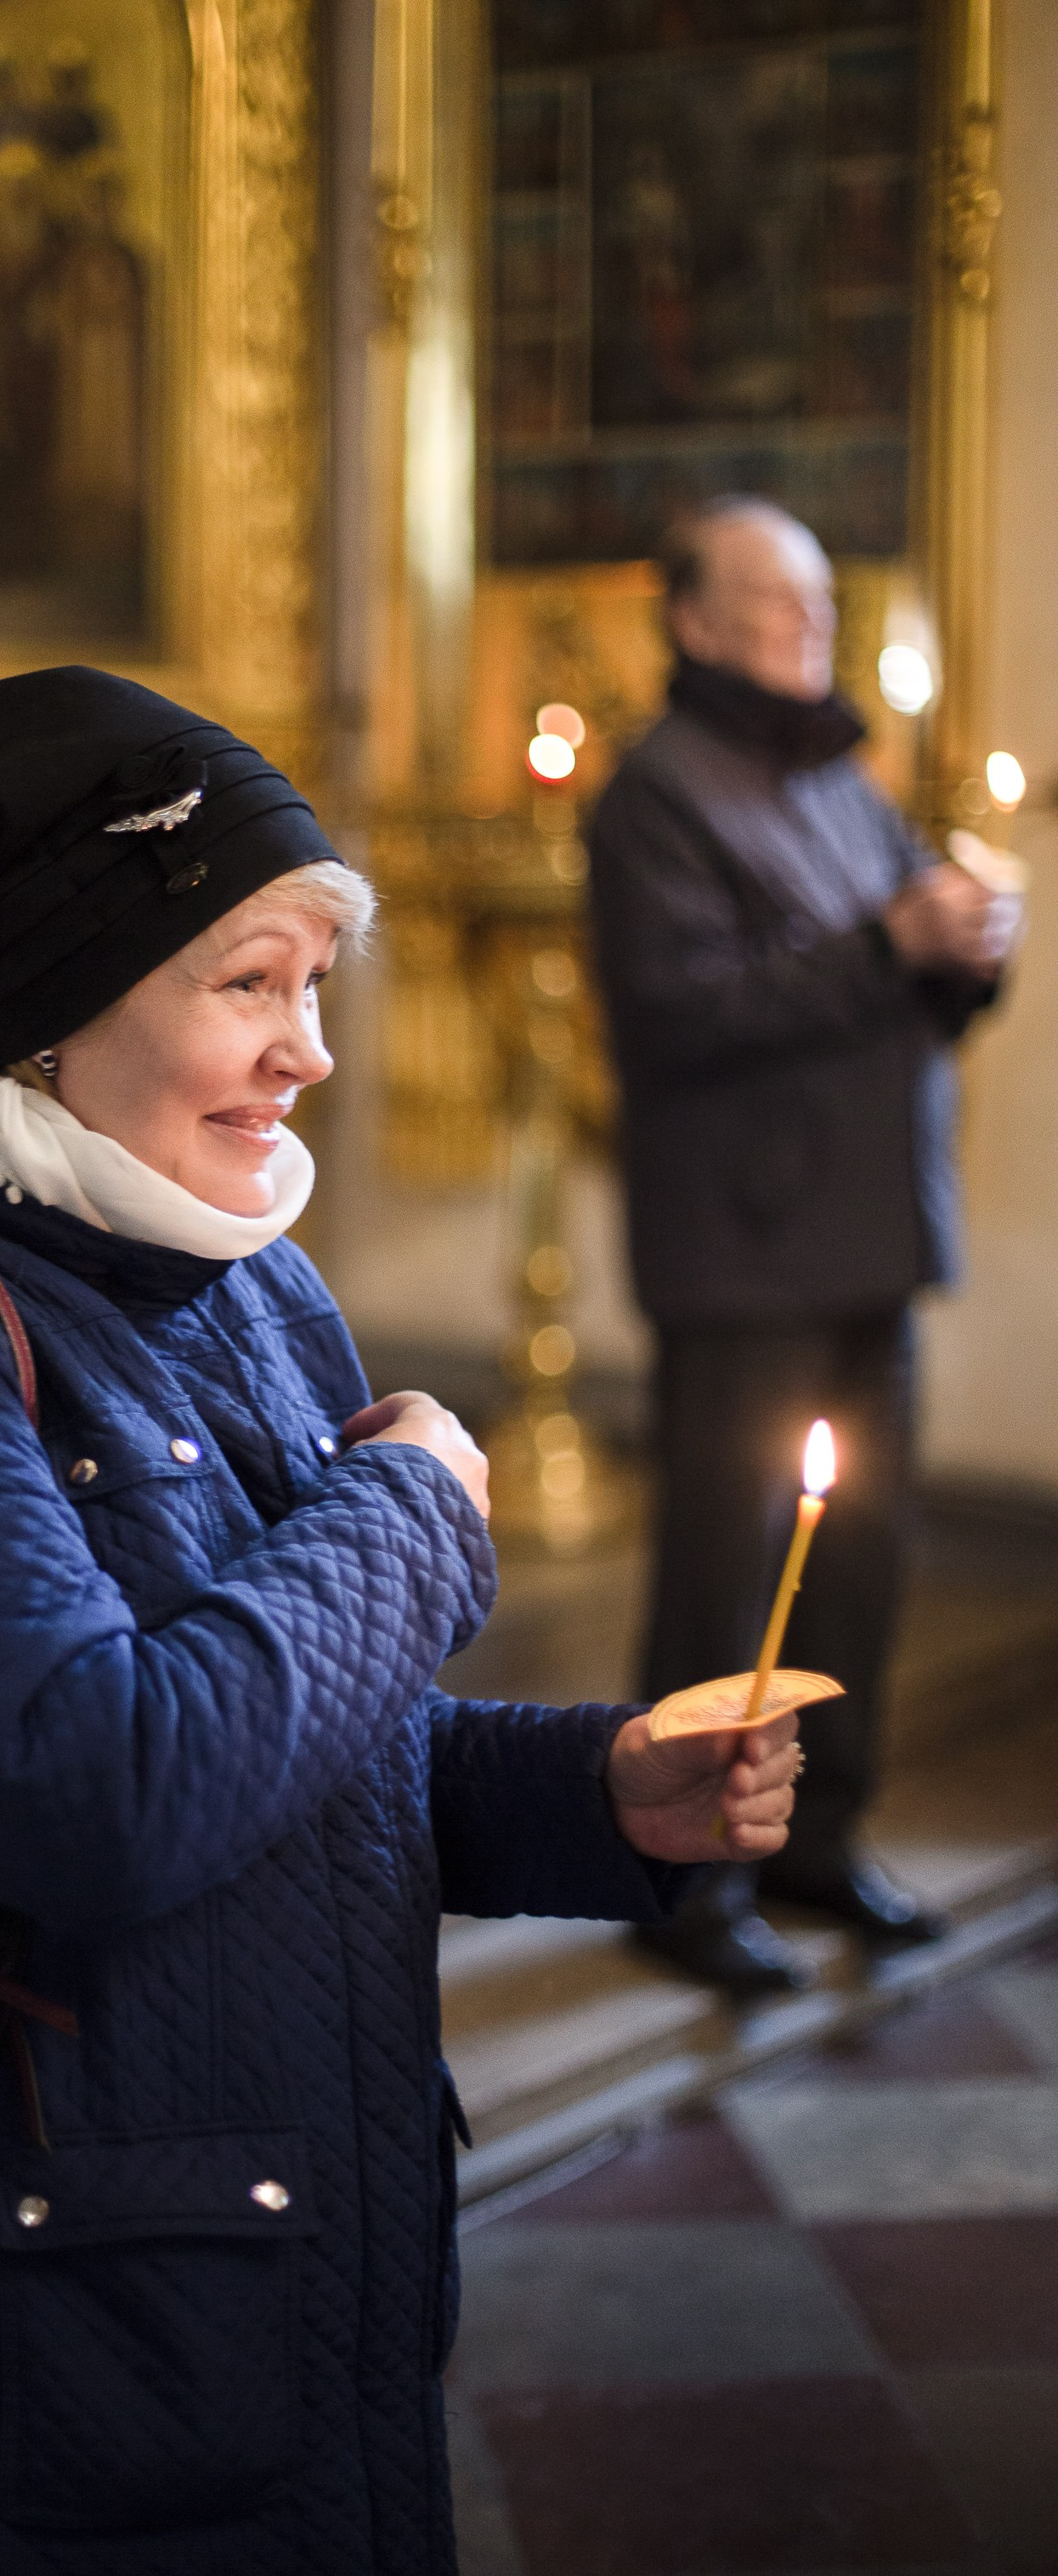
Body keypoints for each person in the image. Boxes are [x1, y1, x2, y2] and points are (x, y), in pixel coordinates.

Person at [0, 665, 804, 2572]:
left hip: (298, 2254)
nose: (307, 1054)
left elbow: (312, 1743)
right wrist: (408, 1505)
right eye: (247, 982)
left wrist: (599, 1794)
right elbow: (93, 1785)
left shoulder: (238, 1275)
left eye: (310, 987)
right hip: (56, 2330)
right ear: (43, 1009)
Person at [587, 496, 1019, 1998]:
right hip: (742, 1247)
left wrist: (968, 954)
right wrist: (892, 946)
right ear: (694, 622)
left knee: (865, 1564)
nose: (807, 623)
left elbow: (901, 971)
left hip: (871, 1234)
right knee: (728, 1583)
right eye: (773, 600)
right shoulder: (654, 795)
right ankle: (687, 1880)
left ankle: (825, 1839)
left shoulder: (843, 776)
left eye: (821, 597)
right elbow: (683, 1016)